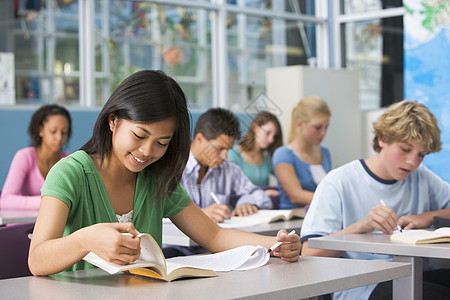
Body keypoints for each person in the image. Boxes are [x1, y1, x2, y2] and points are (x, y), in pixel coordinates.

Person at [28, 70, 300, 276]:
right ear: (113, 121)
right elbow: (37, 259)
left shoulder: (156, 178)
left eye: (162, 143)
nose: (147, 151)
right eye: (139, 135)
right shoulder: (70, 173)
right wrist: (84, 240)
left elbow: (214, 236)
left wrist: (275, 244)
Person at [300, 100, 450, 300]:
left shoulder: (421, 176)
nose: (413, 162)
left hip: (416, 273)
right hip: (362, 284)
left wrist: (428, 217)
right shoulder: (338, 182)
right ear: (382, 139)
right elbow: (308, 254)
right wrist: (359, 227)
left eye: (421, 154)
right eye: (405, 149)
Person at [180, 108, 273, 224]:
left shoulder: (228, 169)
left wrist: (247, 203)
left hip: (214, 241)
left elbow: (261, 196)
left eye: (227, 150)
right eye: (219, 149)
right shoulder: (173, 167)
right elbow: (159, 215)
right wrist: (197, 215)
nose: (224, 156)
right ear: (199, 139)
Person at [1, 104, 72, 210]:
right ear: (41, 129)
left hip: (55, 224)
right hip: (24, 224)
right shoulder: (25, 157)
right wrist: (49, 200)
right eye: (53, 131)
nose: (59, 137)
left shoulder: (68, 161)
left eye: (64, 132)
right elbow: (5, 200)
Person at [272, 96, 332, 209]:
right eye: (318, 128)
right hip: (294, 221)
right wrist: (333, 198)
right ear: (300, 124)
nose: (323, 133)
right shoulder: (283, 154)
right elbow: (296, 196)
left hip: (321, 217)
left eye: (326, 127)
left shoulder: (325, 153)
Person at [228, 111, 282, 196]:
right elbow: (231, 190)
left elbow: (283, 178)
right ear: (255, 127)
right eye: (267, 133)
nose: (271, 139)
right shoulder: (233, 154)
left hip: (262, 206)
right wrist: (261, 194)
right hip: (240, 207)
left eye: (274, 136)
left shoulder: (267, 156)